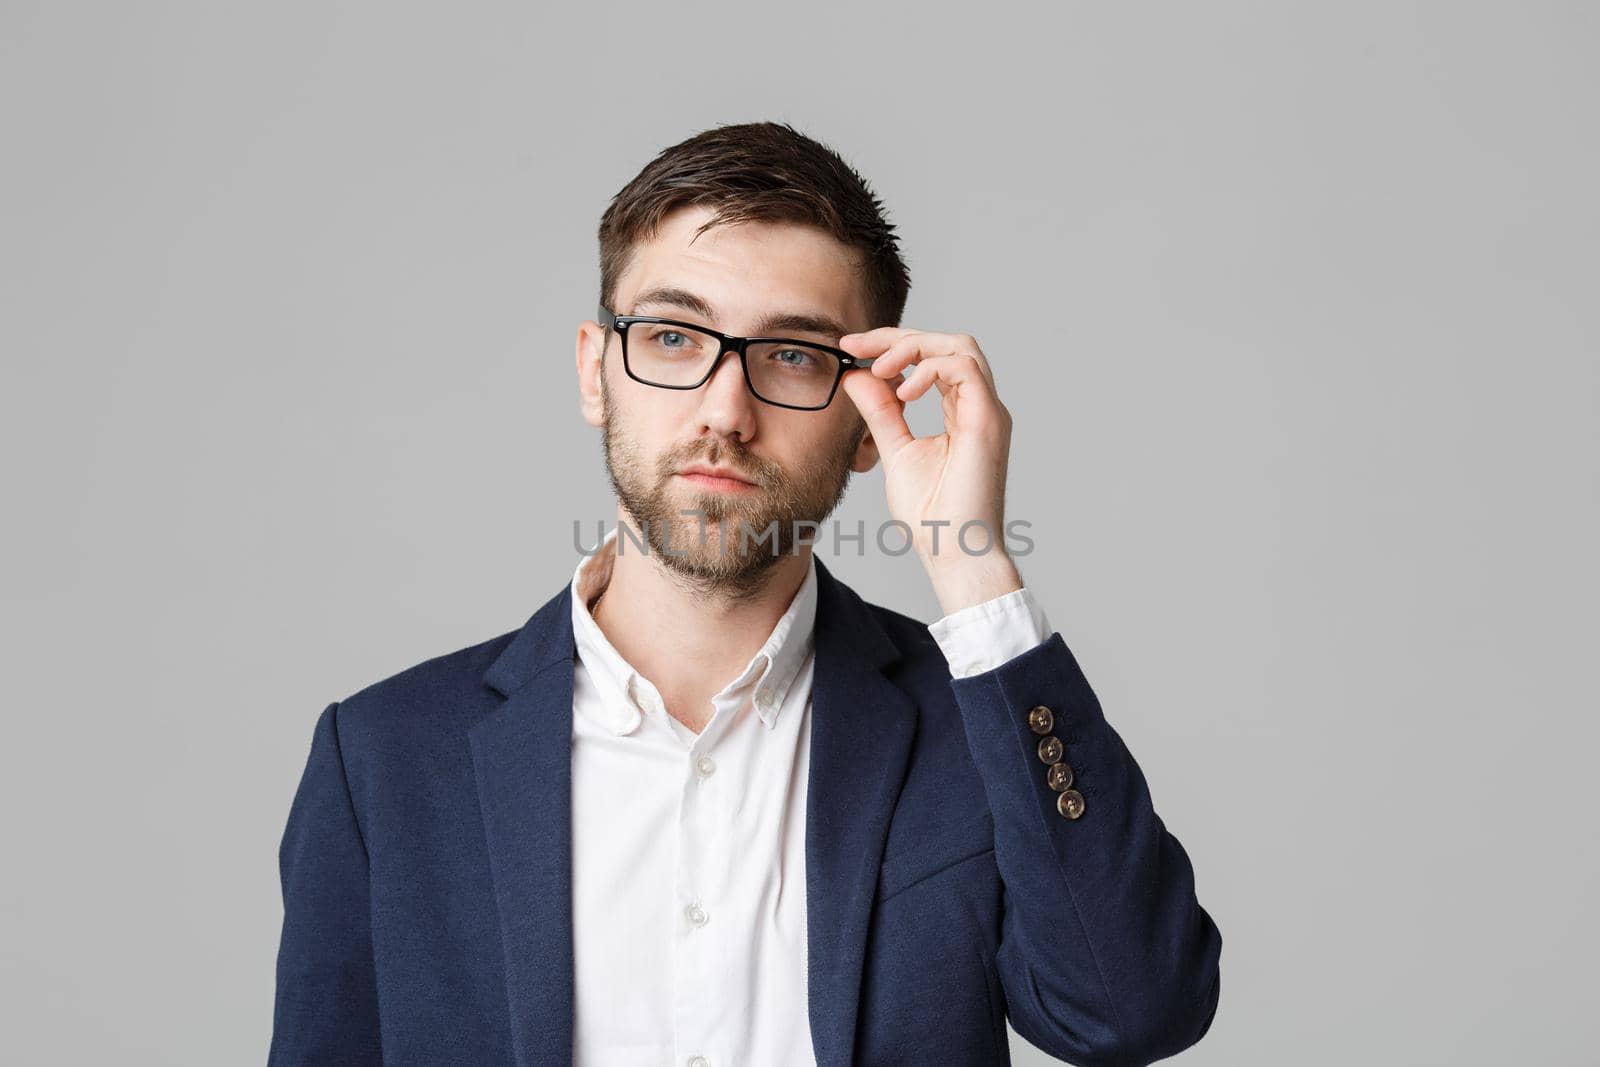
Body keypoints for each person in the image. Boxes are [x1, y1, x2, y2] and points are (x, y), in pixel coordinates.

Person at [268, 120, 1221, 1067]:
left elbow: (1133, 1011)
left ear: (865, 422)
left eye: (794, 355)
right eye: (675, 337)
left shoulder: (978, 727)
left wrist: (970, 562)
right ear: (596, 370)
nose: (727, 411)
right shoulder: (385, 759)